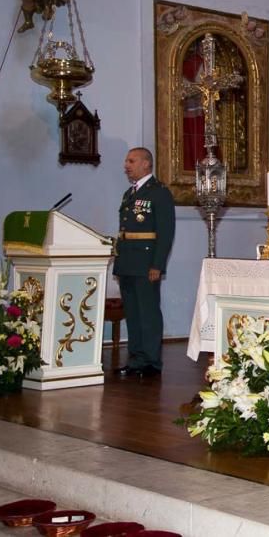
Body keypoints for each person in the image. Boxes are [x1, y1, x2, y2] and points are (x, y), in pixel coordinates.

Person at [113, 147, 176, 378]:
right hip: (128, 261)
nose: (126, 165)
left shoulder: (159, 193)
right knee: (133, 313)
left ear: (146, 164)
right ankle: (136, 358)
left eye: (131, 161)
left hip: (146, 263)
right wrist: (119, 262)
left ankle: (151, 361)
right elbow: (125, 231)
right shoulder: (129, 194)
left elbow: (166, 232)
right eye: (126, 161)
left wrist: (157, 265)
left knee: (148, 313)